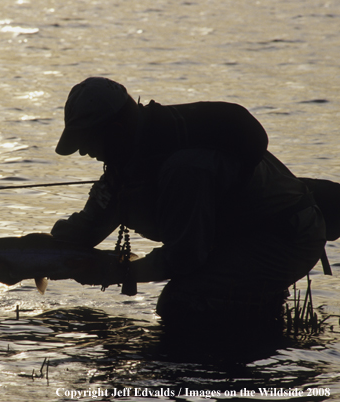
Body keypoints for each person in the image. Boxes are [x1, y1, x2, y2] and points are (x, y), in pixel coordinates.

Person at [50, 77, 327, 332]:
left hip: (285, 236)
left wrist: (115, 272)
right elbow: (89, 227)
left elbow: (184, 257)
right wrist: (30, 254)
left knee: (181, 303)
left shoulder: (185, 169)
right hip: (237, 234)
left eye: (87, 141)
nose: (84, 152)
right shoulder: (129, 159)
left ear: (116, 131)